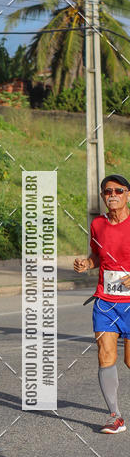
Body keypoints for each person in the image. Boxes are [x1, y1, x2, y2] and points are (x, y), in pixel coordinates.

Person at [74, 173, 130, 433]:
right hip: (106, 301)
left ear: (128, 194)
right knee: (105, 355)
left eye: (118, 191)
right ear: (102, 196)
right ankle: (115, 416)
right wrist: (87, 263)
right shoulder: (98, 225)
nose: (113, 196)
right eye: (108, 192)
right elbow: (97, 254)